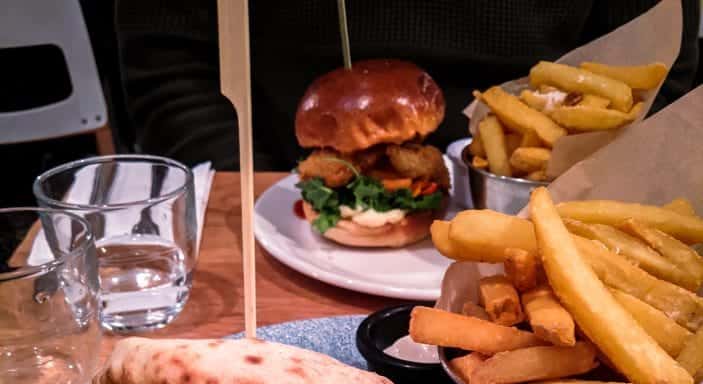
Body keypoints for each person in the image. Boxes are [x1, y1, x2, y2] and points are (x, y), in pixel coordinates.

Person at [115, 0, 700, 171]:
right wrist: (258, 183)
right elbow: (166, 60)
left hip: (545, 192)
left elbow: (662, 69)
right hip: (272, 189)